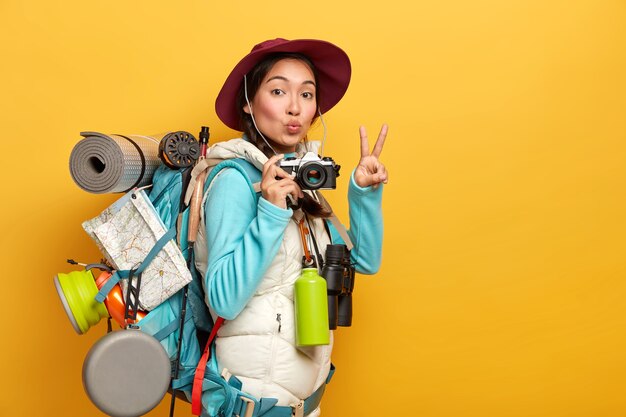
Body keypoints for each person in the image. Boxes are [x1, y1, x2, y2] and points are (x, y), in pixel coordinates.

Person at [193, 38, 388, 417]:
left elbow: (362, 262)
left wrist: (364, 195)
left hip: (300, 405)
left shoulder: (302, 180)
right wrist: (269, 211)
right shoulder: (235, 180)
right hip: (248, 403)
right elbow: (223, 300)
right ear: (248, 102)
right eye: (278, 91)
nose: (295, 107)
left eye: (307, 93)